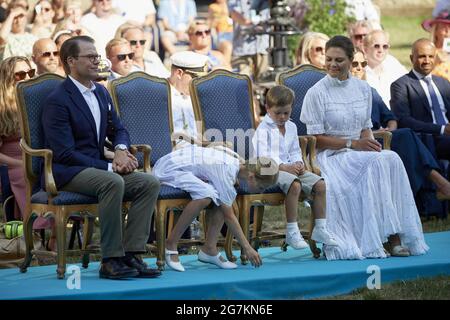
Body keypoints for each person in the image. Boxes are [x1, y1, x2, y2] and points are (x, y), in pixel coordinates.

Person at [42, 35, 161, 279]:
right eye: (91, 56)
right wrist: (110, 166)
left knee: (149, 182)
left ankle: (132, 254)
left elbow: (119, 129)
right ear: (71, 61)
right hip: (68, 171)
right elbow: (65, 153)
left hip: (99, 168)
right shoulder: (58, 100)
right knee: (113, 181)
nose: (97, 61)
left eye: (97, 56)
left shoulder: (101, 93)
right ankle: (110, 260)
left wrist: (119, 150)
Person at [300, 35, 429, 260]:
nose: (332, 64)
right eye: (329, 59)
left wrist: (368, 144)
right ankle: (382, 241)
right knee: (375, 162)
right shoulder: (316, 93)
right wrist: (353, 144)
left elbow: (365, 129)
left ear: (351, 60)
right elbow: (315, 138)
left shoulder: (363, 89)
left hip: (357, 152)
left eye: (338, 60)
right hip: (330, 156)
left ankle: (394, 236)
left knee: (390, 158)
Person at [153, 144, 275, 271]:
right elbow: (229, 216)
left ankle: (209, 249)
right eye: (261, 188)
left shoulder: (234, 167)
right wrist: (247, 248)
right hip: (169, 168)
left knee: (221, 197)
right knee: (205, 195)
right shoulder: (226, 172)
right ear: (251, 177)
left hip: (177, 164)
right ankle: (171, 243)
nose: (260, 192)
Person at [352, 49, 450, 201]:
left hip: (385, 138)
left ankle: (432, 195)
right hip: (362, 141)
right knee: (407, 135)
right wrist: (377, 133)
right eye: (354, 63)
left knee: (404, 136)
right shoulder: (340, 95)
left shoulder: (370, 91)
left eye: (363, 63)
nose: (359, 67)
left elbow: (391, 118)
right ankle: (440, 184)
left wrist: (389, 131)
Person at [252, 85, 338, 250]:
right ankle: (292, 231)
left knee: (320, 184)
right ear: (268, 109)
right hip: (268, 170)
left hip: (290, 168)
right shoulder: (263, 129)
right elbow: (263, 156)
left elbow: (294, 150)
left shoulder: (291, 127)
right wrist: (284, 166)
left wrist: (298, 163)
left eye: (287, 113)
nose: (282, 117)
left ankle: (320, 228)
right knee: (295, 184)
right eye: (278, 113)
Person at [391, 39, 450, 162]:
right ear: (412, 58)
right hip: (427, 139)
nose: (427, 61)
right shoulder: (401, 85)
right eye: (422, 56)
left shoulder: (443, 83)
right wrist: (441, 129)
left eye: (431, 56)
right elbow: (404, 120)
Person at [0, 56, 34, 221]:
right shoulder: (2, 107)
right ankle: (31, 227)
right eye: (20, 74)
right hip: (10, 164)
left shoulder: (35, 101)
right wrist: (21, 163)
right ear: (7, 79)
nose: (27, 78)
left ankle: (55, 233)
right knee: (26, 173)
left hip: (37, 156)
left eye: (30, 73)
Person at [168, 51, 208, 147]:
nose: (199, 83)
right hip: (174, 155)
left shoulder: (198, 95)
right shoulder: (160, 95)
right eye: (196, 78)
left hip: (201, 150)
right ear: (179, 73)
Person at [363, 30, 407, 108]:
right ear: (366, 49)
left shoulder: (392, 62)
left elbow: (409, 82)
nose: (381, 50)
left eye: (385, 46)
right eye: (376, 46)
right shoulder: (360, 70)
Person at [228, 0, 269, 81]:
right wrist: (252, 24)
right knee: (241, 83)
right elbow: (234, 14)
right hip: (242, 48)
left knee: (263, 82)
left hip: (262, 47)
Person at [421, 10, 450, 82]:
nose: (447, 31)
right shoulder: (428, 51)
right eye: (443, 27)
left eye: (449, 27)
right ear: (435, 31)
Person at [208, 0, 233, 65]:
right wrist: (216, 20)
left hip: (233, 32)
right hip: (221, 34)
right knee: (228, 47)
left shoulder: (231, 4)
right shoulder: (213, 7)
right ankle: (226, 69)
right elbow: (209, 23)